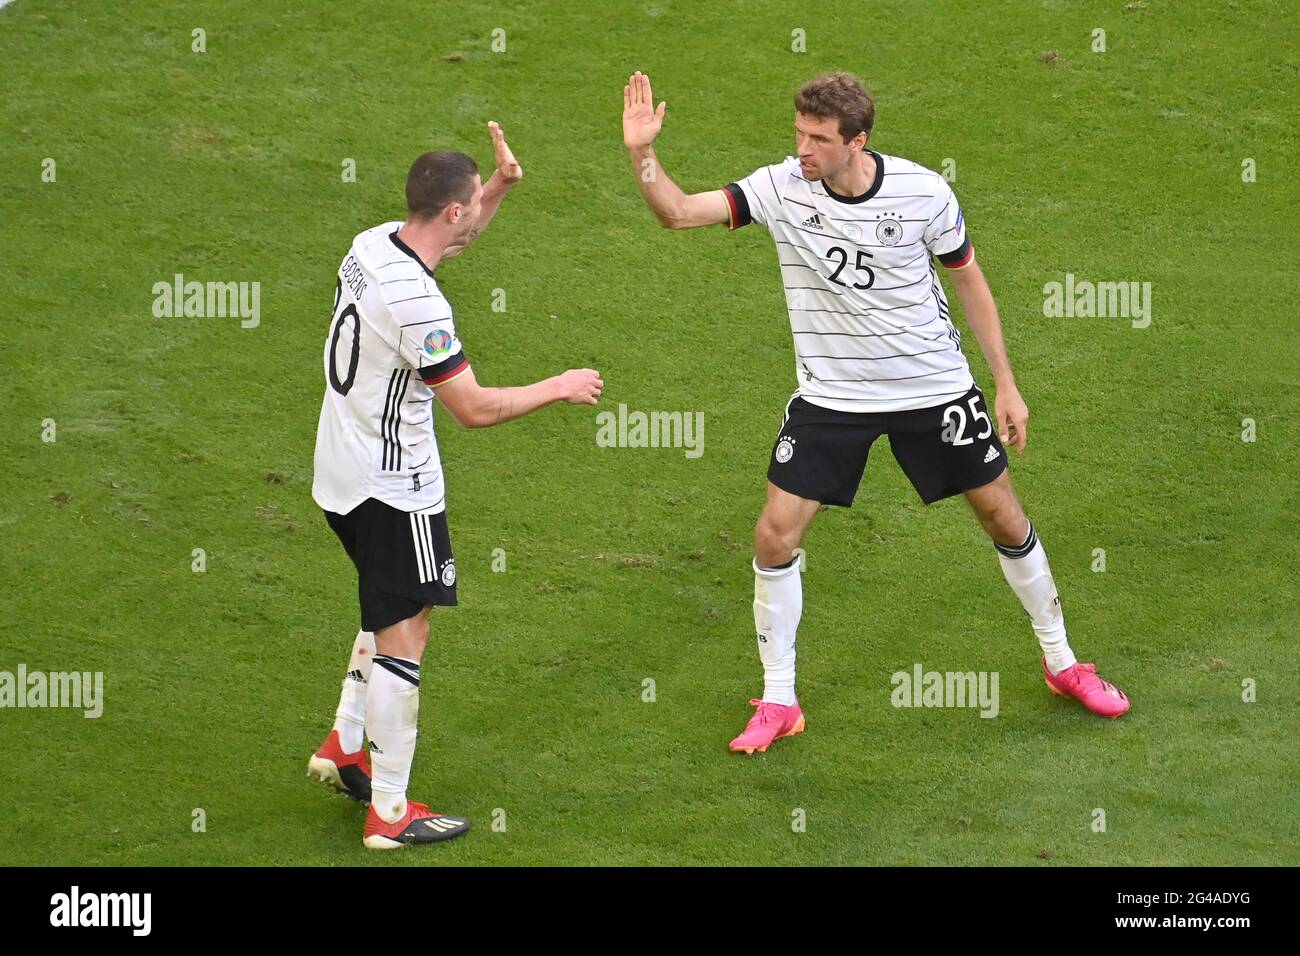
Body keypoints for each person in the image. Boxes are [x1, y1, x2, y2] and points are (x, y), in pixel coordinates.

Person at [620, 70, 1129, 754]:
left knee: (1002, 515)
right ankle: (778, 699)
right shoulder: (779, 186)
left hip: (932, 387)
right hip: (832, 398)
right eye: (799, 132)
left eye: (818, 139)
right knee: (775, 537)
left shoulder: (924, 192)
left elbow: (968, 281)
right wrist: (641, 154)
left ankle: (1063, 662)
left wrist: (1004, 383)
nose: (802, 148)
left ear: (857, 141)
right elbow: (678, 211)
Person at [309, 123, 604, 846]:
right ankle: (389, 810)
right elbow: (475, 408)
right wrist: (559, 385)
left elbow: (446, 247)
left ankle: (343, 745)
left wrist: (495, 188)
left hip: (339, 471)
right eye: (472, 203)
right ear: (451, 210)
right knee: (407, 635)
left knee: (385, 608)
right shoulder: (421, 306)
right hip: (395, 488)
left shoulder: (372, 242)